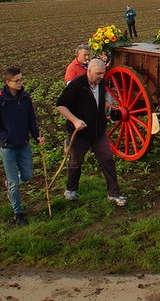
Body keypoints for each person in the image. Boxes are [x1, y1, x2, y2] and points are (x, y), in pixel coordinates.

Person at [56, 58, 127, 206]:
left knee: (107, 159)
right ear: (89, 71)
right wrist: (75, 120)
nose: (101, 76)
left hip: (98, 131)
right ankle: (71, 190)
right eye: (98, 73)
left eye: (103, 73)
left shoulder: (100, 83)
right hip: (81, 133)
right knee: (76, 162)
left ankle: (114, 193)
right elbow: (61, 105)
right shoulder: (77, 85)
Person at [0, 66, 44, 226]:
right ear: (7, 82)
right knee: (13, 183)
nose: (20, 83)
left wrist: (37, 136)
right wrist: (5, 137)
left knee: (28, 175)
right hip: (8, 148)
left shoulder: (25, 98)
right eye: (17, 80)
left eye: (21, 79)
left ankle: (12, 184)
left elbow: (31, 120)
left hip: (24, 144)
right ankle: (18, 212)